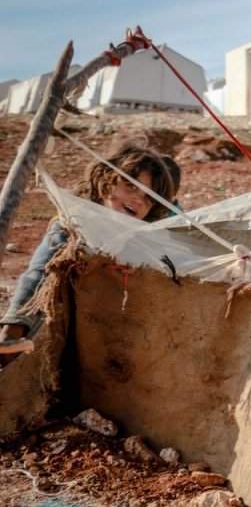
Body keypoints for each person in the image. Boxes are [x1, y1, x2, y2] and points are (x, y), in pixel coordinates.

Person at [0, 144, 180, 366]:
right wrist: (15, 325)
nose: (138, 200)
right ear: (106, 181)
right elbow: (39, 273)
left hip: (106, 339)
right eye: (131, 187)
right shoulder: (72, 225)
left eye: (148, 199)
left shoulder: (139, 241)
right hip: (59, 327)